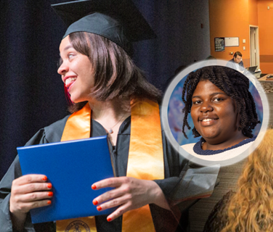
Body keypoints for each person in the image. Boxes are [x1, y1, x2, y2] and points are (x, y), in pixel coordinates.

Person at [1, 0, 216, 230]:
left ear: (103, 55)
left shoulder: (172, 126)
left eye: (70, 56)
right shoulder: (52, 136)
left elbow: (207, 177)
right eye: (60, 60)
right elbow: (6, 198)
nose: (60, 68)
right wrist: (14, 208)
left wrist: (155, 190)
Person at [180, 66, 260, 157]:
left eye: (217, 99)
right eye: (197, 102)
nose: (204, 108)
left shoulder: (259, 153)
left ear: (241, 103)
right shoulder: (182, 152)